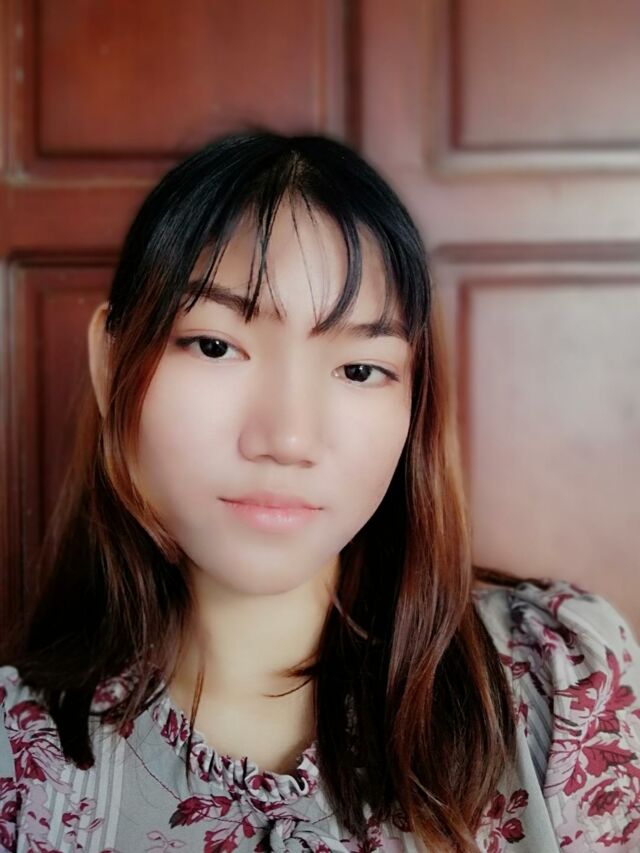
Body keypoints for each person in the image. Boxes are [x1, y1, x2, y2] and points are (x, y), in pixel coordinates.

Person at [0, 131, 638, 853]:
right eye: (215, 345)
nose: (288, 438)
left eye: (360, 369)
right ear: (109, 362)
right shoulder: (20, 770)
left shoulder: (558, 681)